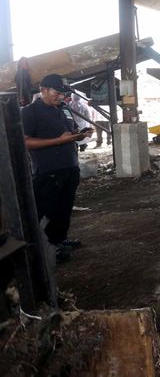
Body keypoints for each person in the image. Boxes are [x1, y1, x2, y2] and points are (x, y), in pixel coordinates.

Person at [22, 74, 92, 263]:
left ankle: (60, 239)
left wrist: (79, 135)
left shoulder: (63, 110)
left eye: (62, 93)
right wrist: (59, 140)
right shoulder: (31, 112)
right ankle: (48, 248)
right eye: (57, 92)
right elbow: (26, 142)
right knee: (48, 211)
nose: (60, 97)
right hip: (48, 171)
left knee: (64, 208)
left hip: (70, 168)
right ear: (43, 89)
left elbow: (70, 133)